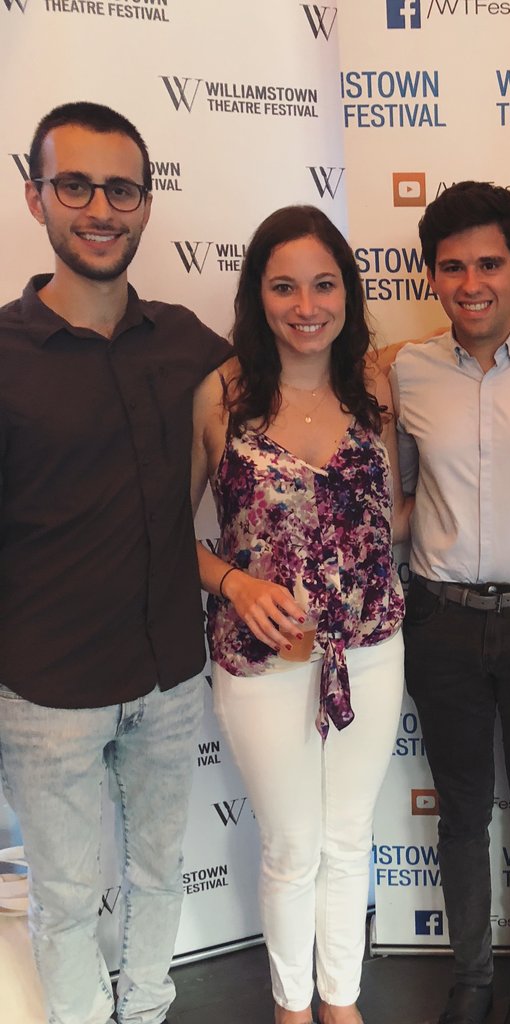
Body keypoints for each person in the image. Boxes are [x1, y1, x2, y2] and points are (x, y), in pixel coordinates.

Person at [0, 102, 230, 1024]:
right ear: (36, 197)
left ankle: (146, 1009)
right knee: (61, 900)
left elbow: (300, 372)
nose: (100, 207)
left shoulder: (187, 342)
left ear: (145, 202)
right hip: (46, 693)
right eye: (75, 185)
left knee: (158, 873)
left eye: (121, 188)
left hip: (170, 674)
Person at [191, 205, 409, 1024]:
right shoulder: (222, 397)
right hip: (261, 657)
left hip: (371, 649)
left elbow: (399, 513)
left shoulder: (377, 387)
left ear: (348, 293)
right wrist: (235, 585)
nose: (306, 304)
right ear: (258, 295)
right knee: (291, 844)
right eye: (284, 286)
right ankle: (292, 1006)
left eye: (324, 284)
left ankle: (341, 1001)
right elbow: (173, 538)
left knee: (349, 835)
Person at [391, 181, 510, 1024]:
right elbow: (387, 493)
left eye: (491, 265)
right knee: (463, 813)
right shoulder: (403, 370)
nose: (473, 283)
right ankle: (470, 980)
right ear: (433, 276)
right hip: (440, 622)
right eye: (453, 266)